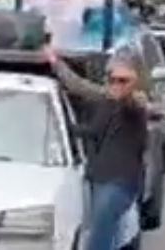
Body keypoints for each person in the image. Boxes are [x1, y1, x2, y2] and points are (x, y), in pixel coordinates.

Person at [44, 42, 146, 250]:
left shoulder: (135, 105)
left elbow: (136, 102)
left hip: (118, 184)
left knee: (98, 241)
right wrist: (55, 62)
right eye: (112, 79)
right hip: (99, 178)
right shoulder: (106, 98)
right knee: (109, 238)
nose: (116, 84)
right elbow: (78, 86)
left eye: (123, 80)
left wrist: (130, 92)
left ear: (134, 82)